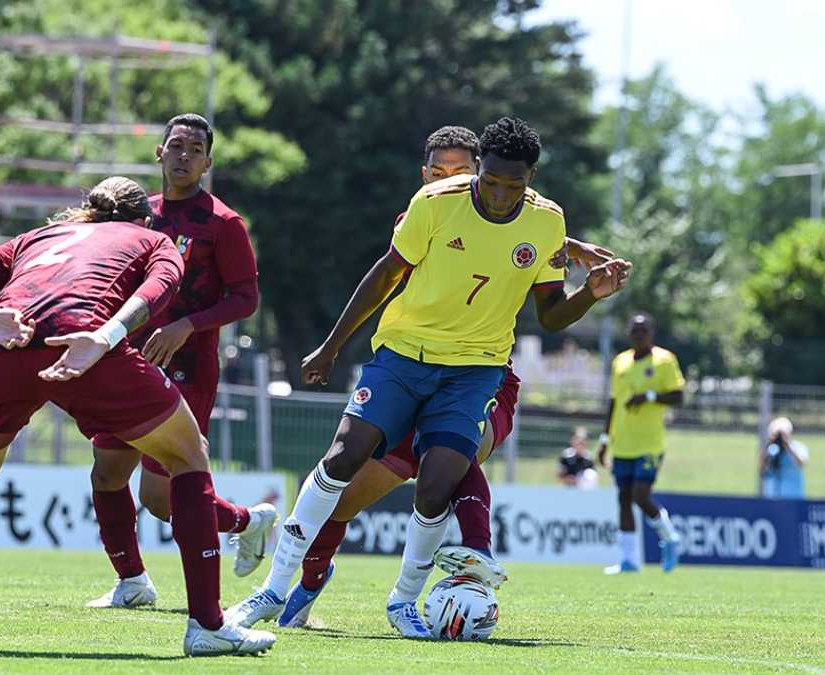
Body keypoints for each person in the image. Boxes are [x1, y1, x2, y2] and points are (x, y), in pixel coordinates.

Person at [229, 117, 631, 638]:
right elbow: (385, 274)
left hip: (475, 368)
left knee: (438, 481)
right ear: (477, 170)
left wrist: (590, 294)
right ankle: (273, 591)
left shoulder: (546, 222)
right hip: (404, 354)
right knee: (344, 455)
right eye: (492, 181)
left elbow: (550, 314)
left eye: (517, 185)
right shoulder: (436, 203)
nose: (503, 195)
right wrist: (332, 346)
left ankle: (403, 602)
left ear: (531, 177)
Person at [0, 177, 275, 657]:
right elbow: (160, 287)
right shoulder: (154, 238)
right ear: (143, 218)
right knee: (189, 454)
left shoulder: (40, 236)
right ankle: (208, 625)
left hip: (6, 343)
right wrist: (107, 336)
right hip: (87, 344)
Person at [86, 114, 277, 609]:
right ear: (159, 153)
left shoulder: (222, 223)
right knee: (106, 472)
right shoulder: (139, 216)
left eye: (195, 148)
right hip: (131, 361)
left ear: (208, 162)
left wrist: (187, 326)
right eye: (177, 146)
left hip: (189, 367)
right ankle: (132, 583)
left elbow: (246, 298)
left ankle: (245, 522)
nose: (184, 155)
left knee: (158, 498)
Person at [598, 313, 686, 575]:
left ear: (652, 333)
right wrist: (605, 440)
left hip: (649, 443)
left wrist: (648, 396)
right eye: (635, 330)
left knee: (640, 495)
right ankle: (629, 561)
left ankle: (670, 537)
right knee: (624, 499)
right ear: (628, 334)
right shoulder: (620, 362)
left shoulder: (664, 360)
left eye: (644, 330)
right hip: (622, 442)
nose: (639, 334)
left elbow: (679, 396)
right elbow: (614, 402)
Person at [760, 416, 808, 499]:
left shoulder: (798, 447)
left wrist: (787, 446)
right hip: (771, 498)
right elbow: (762, 468)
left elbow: (801, 464)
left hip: (793, 498)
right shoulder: (770, 449)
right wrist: (769, 443)